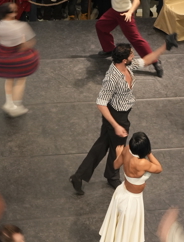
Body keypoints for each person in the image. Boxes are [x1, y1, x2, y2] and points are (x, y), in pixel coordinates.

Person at [70, 40, 173, 195]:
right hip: (117, 116)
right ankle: (111, 177)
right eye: (131, 53)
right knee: (116, 148)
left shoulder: (127, 66)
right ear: (124, 59)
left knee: (102, 145)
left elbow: (147, 59)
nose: (134, 55)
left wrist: (166, 46)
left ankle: (79, 176)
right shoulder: (112, 78)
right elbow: (101, 103)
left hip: (119, 113)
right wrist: (117, 125)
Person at [99, 132, 162, 242]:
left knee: (116, 223)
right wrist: (150, 153)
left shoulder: (127, 150)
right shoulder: (143, 163)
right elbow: (159, 168)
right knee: (127, 230)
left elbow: (115, 165)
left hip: (121, 193)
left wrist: (119, 154)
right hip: (132, 200)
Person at [94, 0, 164, 77]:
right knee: (100, 26)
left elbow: (136, 0)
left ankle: (155, 61)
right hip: (114, 10)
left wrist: (130, 12)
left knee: (135, 39)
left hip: (125, 13)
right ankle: (109, 49)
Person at [0, 2, 39, 117]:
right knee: (21, 79)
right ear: (12, 14)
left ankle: (9, 103)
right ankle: (17, 106)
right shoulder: (21, 25)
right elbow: (29, 44)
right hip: (17, 55)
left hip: (2, 54)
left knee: (9, 78)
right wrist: (22, 42)